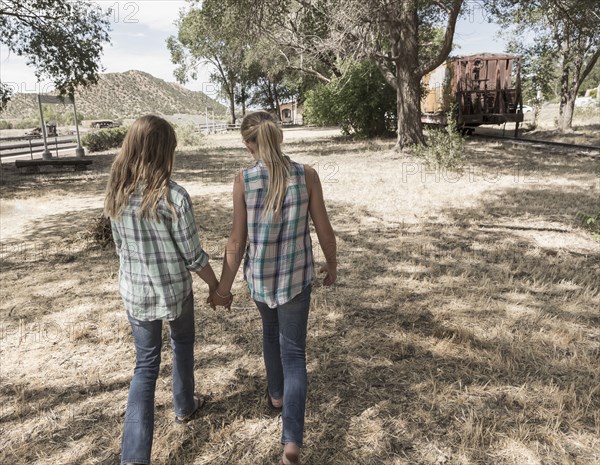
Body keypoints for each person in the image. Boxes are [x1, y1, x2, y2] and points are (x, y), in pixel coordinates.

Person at [210, 111, 337, 465]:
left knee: (270, 333)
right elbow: (324, 230)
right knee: (294, 353)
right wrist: (333, 264)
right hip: (297, 278)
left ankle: (277, 396)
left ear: (247, 144)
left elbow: (237, 240)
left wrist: (223, 287)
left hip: (261, 278)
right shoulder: (307, 175)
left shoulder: (243, 180)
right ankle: (292, 443)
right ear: (280, 138)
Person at [104, 115, 224, 465]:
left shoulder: (116, 192)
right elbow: (193, 256)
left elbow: (120, 247)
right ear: (163, 152)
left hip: (136, 295)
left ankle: (134, 459)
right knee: (183, 342)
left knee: (145, 367)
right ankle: (184, 404)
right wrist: (217, 287)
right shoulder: (174, 197)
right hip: (174, 293)